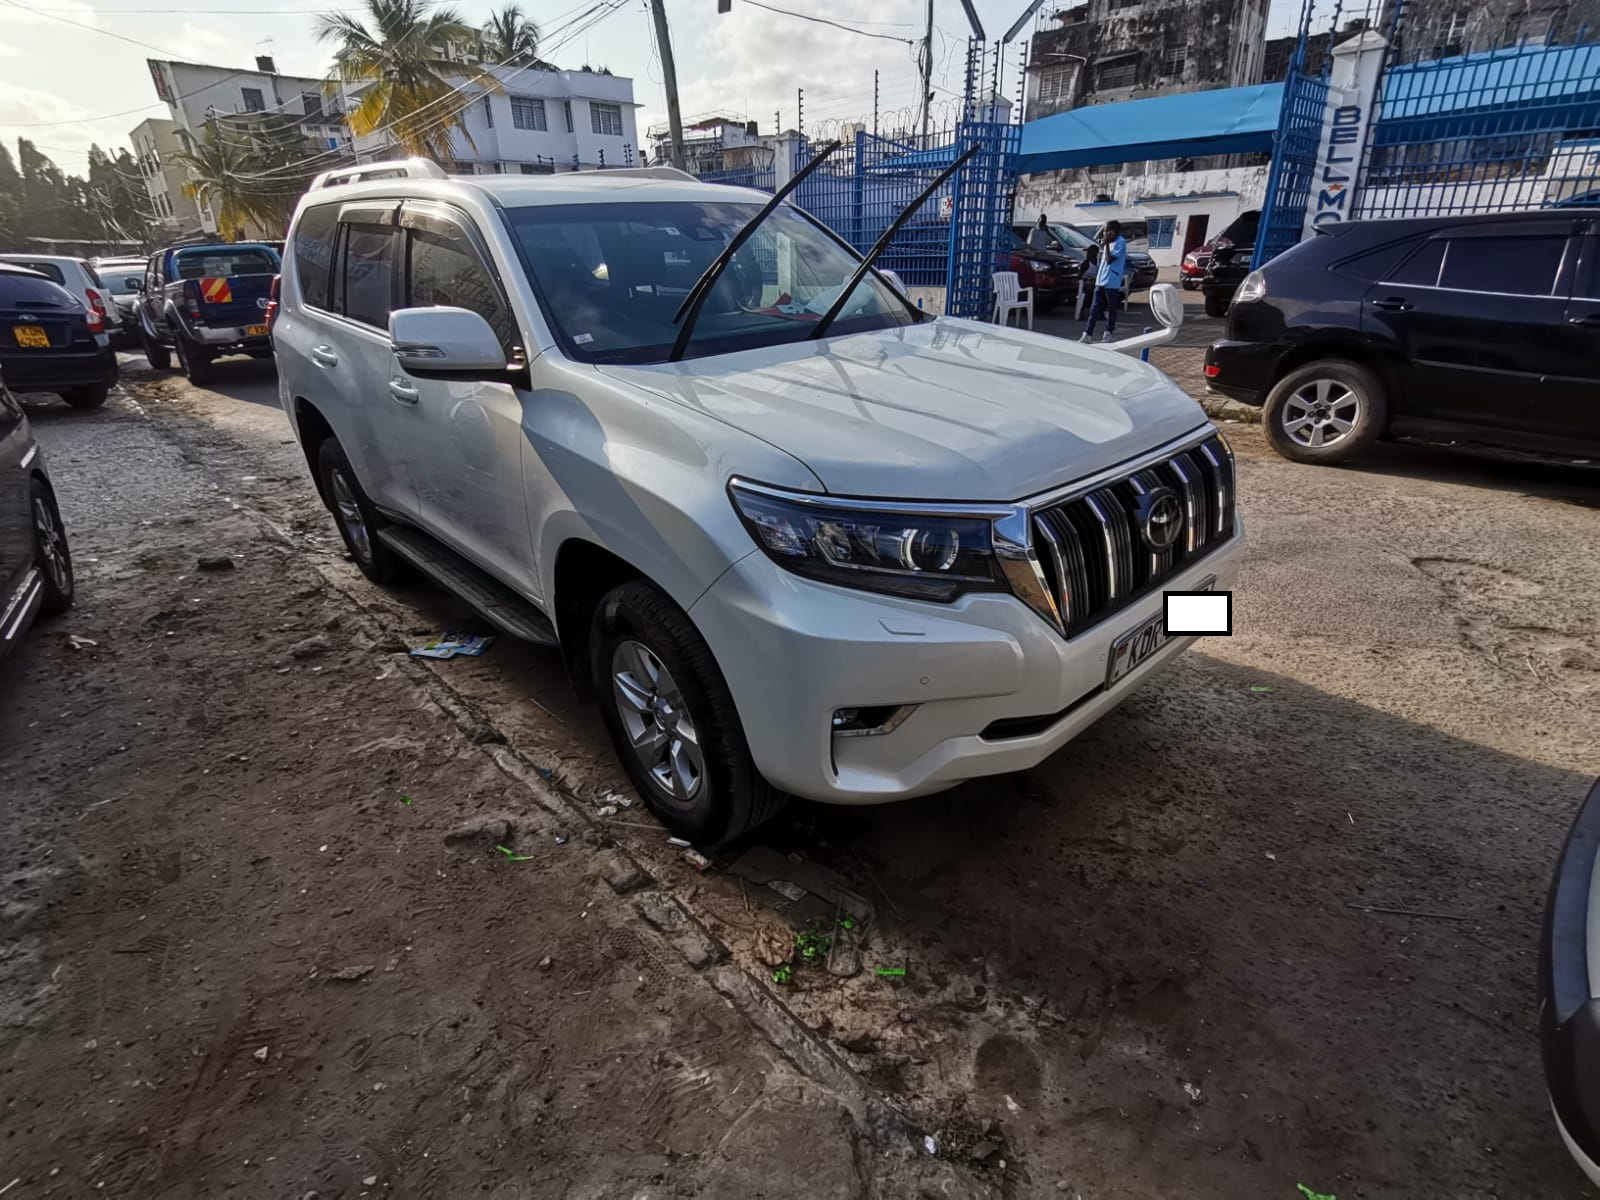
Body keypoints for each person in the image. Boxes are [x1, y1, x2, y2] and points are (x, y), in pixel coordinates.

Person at [1081, 220, 1127, 343]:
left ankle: (1108, 333)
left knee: (1111, 308)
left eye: (1107, 231)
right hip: (1101, 279)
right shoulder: (1108, 242)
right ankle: (1088, 334)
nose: (1105, 234)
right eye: (1104, 231)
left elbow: (1109, 259)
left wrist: (1106, 245)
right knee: (1094, 308)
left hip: (1112, 280)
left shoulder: (1120, 242)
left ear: (1114, 232)